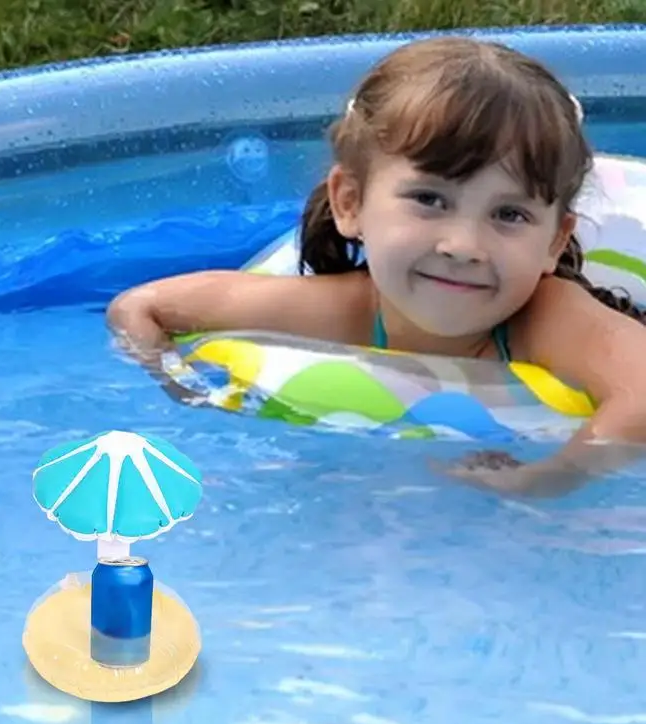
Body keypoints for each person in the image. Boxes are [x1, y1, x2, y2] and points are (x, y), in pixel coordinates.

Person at [108, 36, 646, 496]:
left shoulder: (547, 317)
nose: (464, 245)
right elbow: (141, 307)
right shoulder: (346, 309)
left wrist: (548, 480)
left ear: (555, 240)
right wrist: (181, 391)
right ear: (350, 203)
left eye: (509, 214)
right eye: (430, 200)